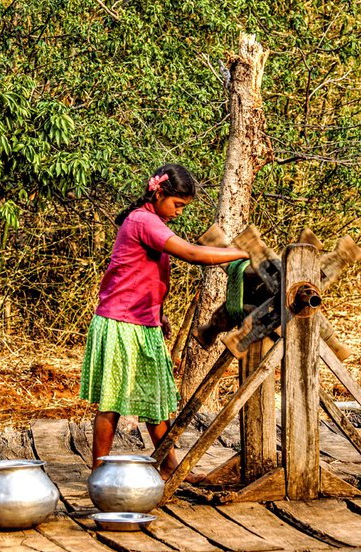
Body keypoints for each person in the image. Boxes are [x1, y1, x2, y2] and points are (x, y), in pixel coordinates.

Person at [80, 163, 249, 481]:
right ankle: (99, 472)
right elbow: (192, 254)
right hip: (121, 323)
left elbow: (139, 275)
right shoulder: (143, 220)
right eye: (178, 205)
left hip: (140, 321)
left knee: (155, 397)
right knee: (112, 401)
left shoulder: (148, 220)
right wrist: (239, 254)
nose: (179, 212)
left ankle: (169, 465)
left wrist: (158, 314)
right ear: (158, 193)